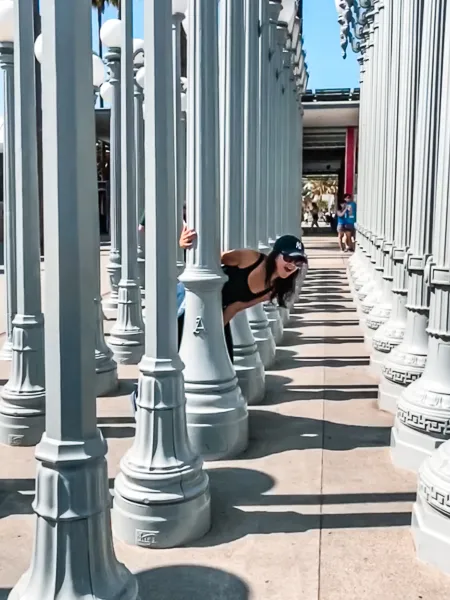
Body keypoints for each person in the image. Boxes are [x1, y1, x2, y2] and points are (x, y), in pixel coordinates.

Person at [177, 234, 308, 363]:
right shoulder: (250, 258)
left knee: (223, 360)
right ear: (275, 255)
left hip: (216, 312)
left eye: (298, 262)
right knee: (175, 342)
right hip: (191, 299)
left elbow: (235, 307)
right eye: (288, 258)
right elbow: (211, 259)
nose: (292, 265)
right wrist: (185, 246)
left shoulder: (273, 288)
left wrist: (214, 333)